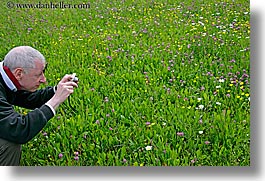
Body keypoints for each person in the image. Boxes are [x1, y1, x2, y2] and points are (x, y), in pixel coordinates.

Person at [0, 46, 78, 166]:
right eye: (38, 75)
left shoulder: (6, 76)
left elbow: (26, 98)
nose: (43, 80)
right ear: (19, 73)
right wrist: (55, 101)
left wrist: (56, 90)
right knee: (9, 143)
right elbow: (18, 130)